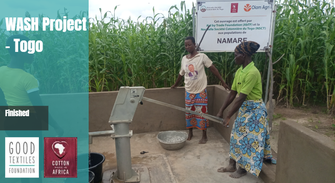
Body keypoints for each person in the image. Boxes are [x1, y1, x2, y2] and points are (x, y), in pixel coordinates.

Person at [216, 41, 274, 178]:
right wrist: (221, 110)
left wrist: (228, 115)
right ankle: (232, 165)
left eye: (236, 55)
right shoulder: (240, 71)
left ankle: (242, 169)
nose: (234, 58)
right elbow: (232, 93)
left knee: (248, 140)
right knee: (236, 136)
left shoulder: (253, 72)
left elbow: (241, 97)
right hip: (244, 109)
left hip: (255, 111)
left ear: (244, 55)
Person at [171, 36, 230, 144]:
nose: (187, 47)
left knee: (202, 113)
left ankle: (204, 135)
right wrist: (175, 84)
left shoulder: (202, 57)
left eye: (189, 44)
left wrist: (222, 82)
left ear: (195, 45)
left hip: (200, 90)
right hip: (189, 90)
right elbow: (181, 73)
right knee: (189, 113)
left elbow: (213, 69)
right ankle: (190, 132)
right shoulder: (184, 59)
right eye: (186, 45)